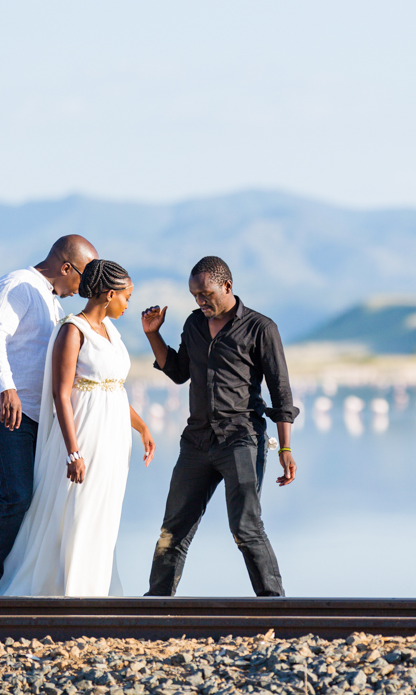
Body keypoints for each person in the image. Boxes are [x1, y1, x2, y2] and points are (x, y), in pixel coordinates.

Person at [140, 255, 298, 597]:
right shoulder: (193, 324)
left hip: (241, 440)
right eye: (195, 295)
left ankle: (274, 605)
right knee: (173, 529)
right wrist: (154, 335)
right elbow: (180, 371)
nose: (200, 301)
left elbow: (281, 391)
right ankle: (155, 606)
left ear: (227, 286)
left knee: (245, 526)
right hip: (196, 441)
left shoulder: (260, 328)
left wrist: (285, 448)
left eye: (206, 293)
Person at [0, 259, 156, 596]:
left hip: (113, 438)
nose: (128, 304)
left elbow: (112, 387)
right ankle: (70, 589)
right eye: (126, 297)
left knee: (103, 511)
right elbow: (61, 392)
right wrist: (73, 451)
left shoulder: (112, 332)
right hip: (84, 435)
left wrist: (141, 427)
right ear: (109, 294)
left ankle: (96, 587)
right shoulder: (73, 329)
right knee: (78, 510)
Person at [0, 235, 97, 597]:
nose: (84, 290)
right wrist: (7, 389)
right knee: (16, 493)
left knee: (35, 497)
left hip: (31, 414)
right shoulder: (18, 286)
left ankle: (18, 582)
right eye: (83, 280)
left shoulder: (52, 303)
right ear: (66, 267)